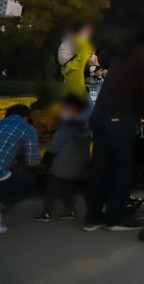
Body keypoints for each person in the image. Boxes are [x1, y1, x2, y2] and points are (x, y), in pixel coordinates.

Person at [85, 24, 144, 231]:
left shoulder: (122, 54)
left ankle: (93, 217)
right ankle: (116, 217)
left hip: (100, 117)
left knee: (100, 166)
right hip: (119, 118)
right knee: (121, 168)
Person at [35, 93, 91, 222]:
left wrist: (49, 154)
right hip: (77, 163)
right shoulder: (87, 125)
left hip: (61, 162)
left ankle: (46, 212)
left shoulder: (70, 123)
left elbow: (58, 140)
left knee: (52, 188)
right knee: (69, 187)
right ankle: (70, 210)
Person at [0, 104, 41, 233]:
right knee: (28, 180)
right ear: (26, 117)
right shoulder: (27, 129)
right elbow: (32, 161)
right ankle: (3, 206)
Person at [58, 22, 96, 98]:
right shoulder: (78, 39)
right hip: (72, 66)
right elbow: (85, 52)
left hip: (69, 66)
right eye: (87, 31)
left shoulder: (72, 40)